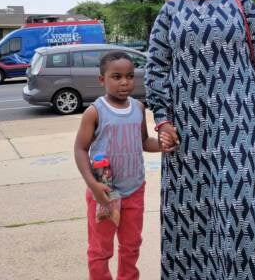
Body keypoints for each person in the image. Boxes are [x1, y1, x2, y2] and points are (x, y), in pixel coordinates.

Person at [146, 0, 255, 279]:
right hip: (187, 133)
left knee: (240, 206)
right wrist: (162, 121)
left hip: (240, 124)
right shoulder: (170, 11)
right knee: (191, 211)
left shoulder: (241, 3)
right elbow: (156, 68)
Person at [74, 51, 178, 280]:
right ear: (102, 79)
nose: (124, 82)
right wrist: (93, 185)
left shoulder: (138, 108)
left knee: (131, 246)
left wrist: (162, 144)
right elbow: (80, 149)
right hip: (104, 193)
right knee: (100, 250)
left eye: (130, 76)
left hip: (134, 190)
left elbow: (143, 142)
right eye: (117, 76)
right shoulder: (95, 112)